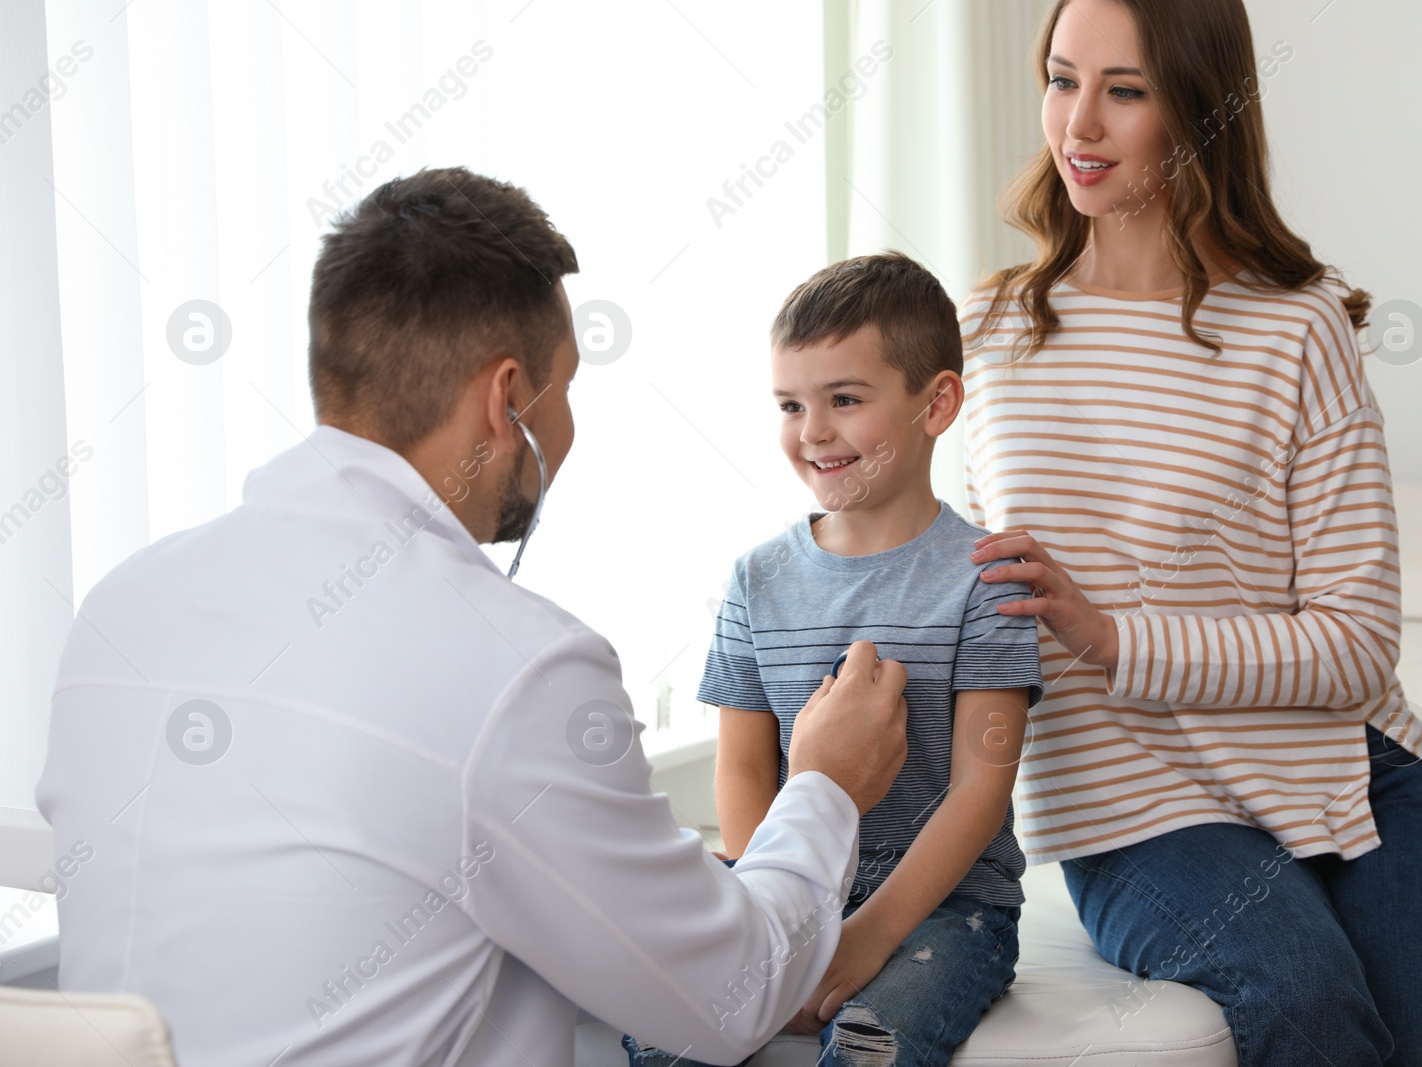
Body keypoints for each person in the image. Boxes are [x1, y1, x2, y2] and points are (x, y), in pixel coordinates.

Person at [34, 167, 913, 1067]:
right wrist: (828, 784)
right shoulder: (517, 668)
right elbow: (731, 994)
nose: (567, 425)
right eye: (563, 387)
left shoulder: (120, 605)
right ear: (506, 401)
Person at [959, 2, 1422, 1065]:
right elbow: (943, 586)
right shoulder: (987, 333)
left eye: (1126, 90)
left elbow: (1353, 644)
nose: (1079, 126)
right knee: (1297, 994)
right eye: (1063, 79)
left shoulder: (1298, 329)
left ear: (1201, 109)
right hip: (1126, 799)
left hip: (1357, 774)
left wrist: (1115, 635)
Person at [625, 253, 1045, 1067]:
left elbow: (981, 790)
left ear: (938, 402)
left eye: (844, 400)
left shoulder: (987, 579)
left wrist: (863, 939)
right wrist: (767, 922)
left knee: (869, 1045)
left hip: (944, 908)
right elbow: (745, 771)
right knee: (661, 1024)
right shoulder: (757, 579)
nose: (811, 431)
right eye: (790, 404)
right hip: (794, 885)